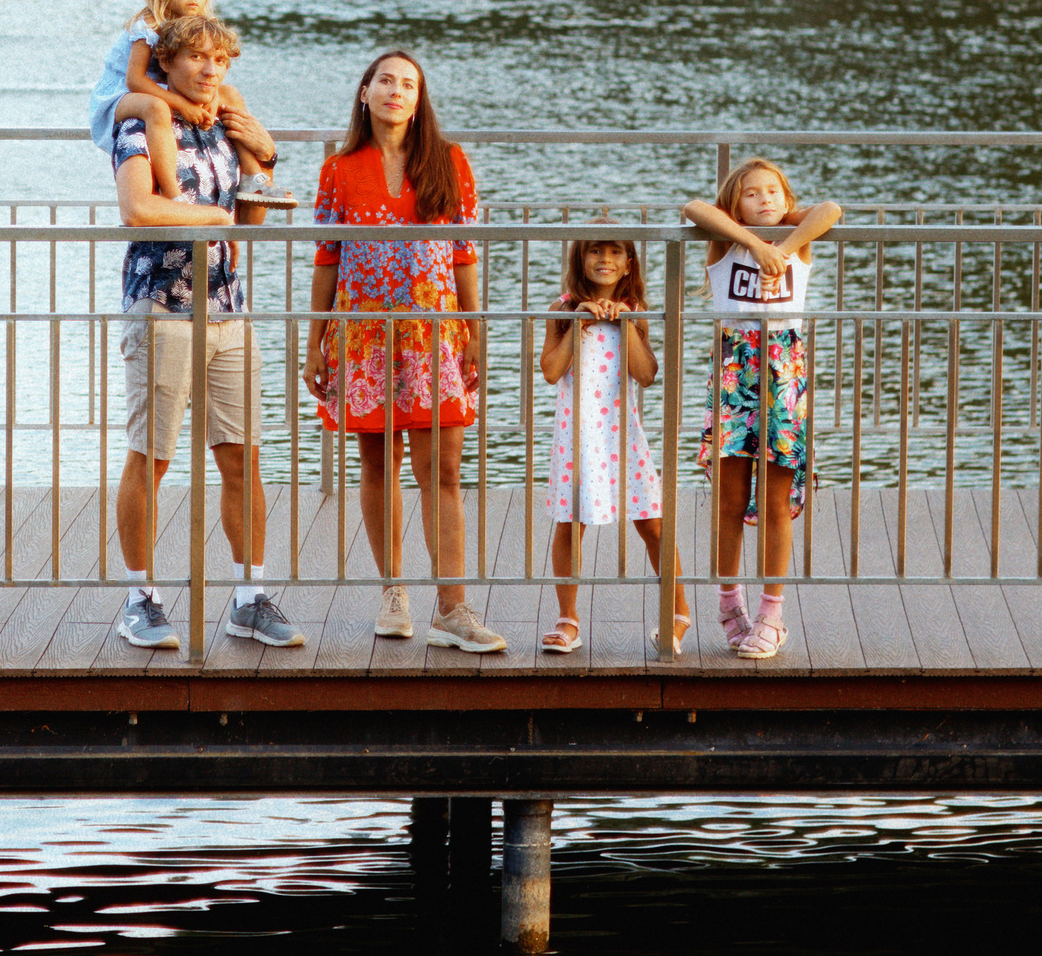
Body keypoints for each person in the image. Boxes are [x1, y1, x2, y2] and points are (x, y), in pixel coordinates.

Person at [107, 13, 299, 652]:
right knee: (152, 455)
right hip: (161, 306)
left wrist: (263, 158)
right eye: (197, 58)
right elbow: (138, 208)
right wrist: (212, 214)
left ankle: (249, 598)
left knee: (241, 454)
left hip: (226, 307)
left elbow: (252, 221)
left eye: (220, 60)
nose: (211, 70)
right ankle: (140, 598)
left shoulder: (224, 122)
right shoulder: (138, 123)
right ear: (167, 63)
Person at [306, 49, 505, 654]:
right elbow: (327, 256)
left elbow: (465, 253)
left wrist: (474, 329)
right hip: (363, 334)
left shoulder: (448, 161)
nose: (396, 91)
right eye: (385, 80)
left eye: (408, 84)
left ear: (420, 101)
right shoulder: (339, 169)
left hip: (435, 333)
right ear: (364, 93)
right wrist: (314, 341)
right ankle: (393, 592)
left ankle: (453, 607)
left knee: (441, 469)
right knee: (377, 463)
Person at [681, 157, 844, 660]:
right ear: (736, 205)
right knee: (729, 501)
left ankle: (772, 613)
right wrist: (753, 244)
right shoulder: (726, 244)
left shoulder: (798, 242)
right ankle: (730, 605)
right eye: (751, 194)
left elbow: (831, 209)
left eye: (773, 192)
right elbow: (693, 207)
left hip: (784, 378)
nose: (765, 200)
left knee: (775, 502)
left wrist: (783, 250)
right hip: (735, 376)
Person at [538, 233, 689, 656]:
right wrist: (578, 323)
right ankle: (568, 619)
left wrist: (626, 326)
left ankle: (677, 612)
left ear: (628, 264)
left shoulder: (636, 312)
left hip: (622, 430)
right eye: (595, 250)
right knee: (570, 522)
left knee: (653, 522)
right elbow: (551, 371)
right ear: (580, 258)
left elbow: (646, 373)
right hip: (578, 433)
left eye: (614, 252)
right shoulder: (561, 308)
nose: (604, 258)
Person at [88, 0, 275, 203]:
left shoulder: (195, 25)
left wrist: (212, 98)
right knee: (157, 109)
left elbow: (206, 67)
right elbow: (135, 80)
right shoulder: (150, 25)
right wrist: (182, 105)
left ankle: (254, 181)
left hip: (157, 88)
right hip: (119, 95)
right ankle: (173, 193)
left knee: (229, 94)